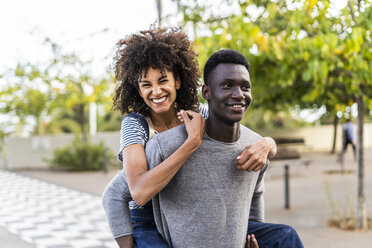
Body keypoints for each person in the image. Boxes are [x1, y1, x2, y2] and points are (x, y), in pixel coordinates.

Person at [102, 27, 276, 248]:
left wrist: (267, 143)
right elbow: (136, 192)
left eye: (162, 81)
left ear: (177, 81)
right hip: (146, 219)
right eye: (146, 85)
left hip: (183, 211)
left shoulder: (199, 115)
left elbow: (242, 138)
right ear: (137, 89)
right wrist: (191, 143)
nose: (156, 91)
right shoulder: (136, 124)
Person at [145, 49, 304, 247]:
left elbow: (254, 194)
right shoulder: (167, 145)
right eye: (227, 85)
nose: (239, 95)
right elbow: (120, 195)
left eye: (245, 87)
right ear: (206, 92)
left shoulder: (255, 146)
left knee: (286, 236)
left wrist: (269, 143)